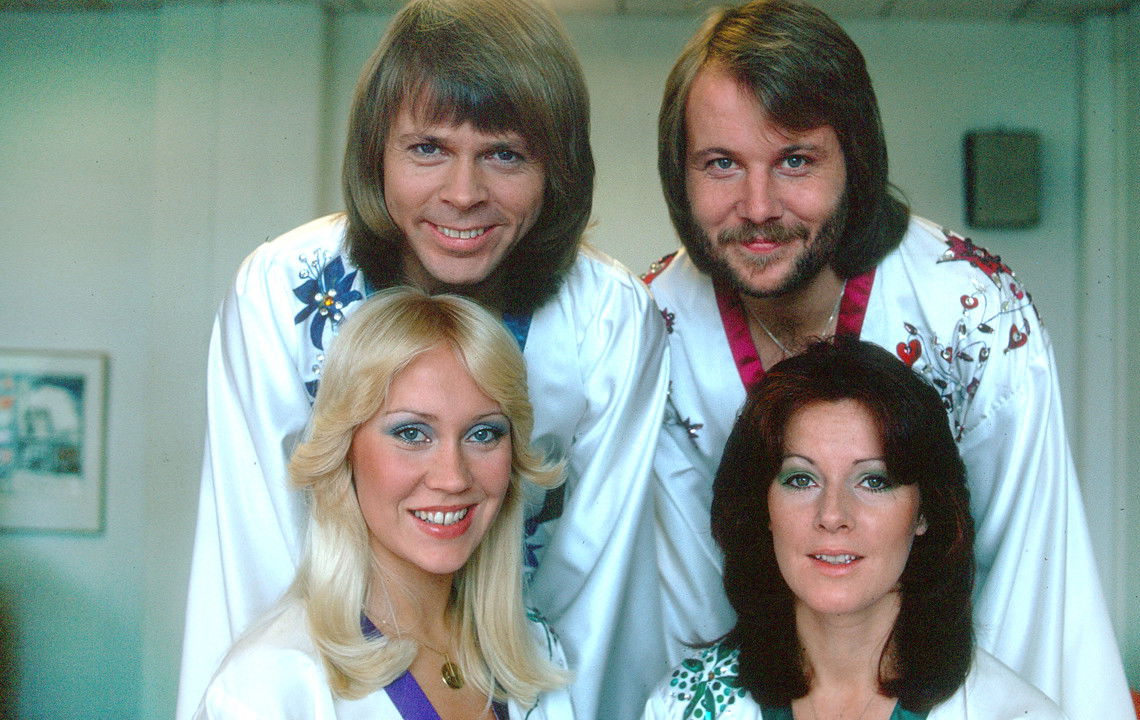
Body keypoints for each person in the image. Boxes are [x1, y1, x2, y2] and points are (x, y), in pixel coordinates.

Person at [177, 2, 668, 718]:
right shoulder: (280, 291)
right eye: (428, 148)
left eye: (505, 154)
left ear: (556, 169)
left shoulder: (608, 316)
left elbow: (598, 587)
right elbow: (252, 561)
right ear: (377, 153)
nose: (463, 195)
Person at [644, 1, 1132, 717]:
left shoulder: (972, 311)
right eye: (721, 163)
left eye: (796, 160)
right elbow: (685, 598)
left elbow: (1029, 584)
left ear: (857, 161)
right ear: (679, 175)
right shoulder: (651, 327)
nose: (757, 206)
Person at [196, 289, 573, 719]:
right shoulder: (271, 686)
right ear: (344, 451)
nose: (452, 478)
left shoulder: (537, 652)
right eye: (411, 434)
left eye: (483, 434)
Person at [644, 340, 1065, 720]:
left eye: (874, 481)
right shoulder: (681, 707)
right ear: (763, 507)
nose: (832, 515)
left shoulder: (1016, 714)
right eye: (801, 479)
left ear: (924, 511)